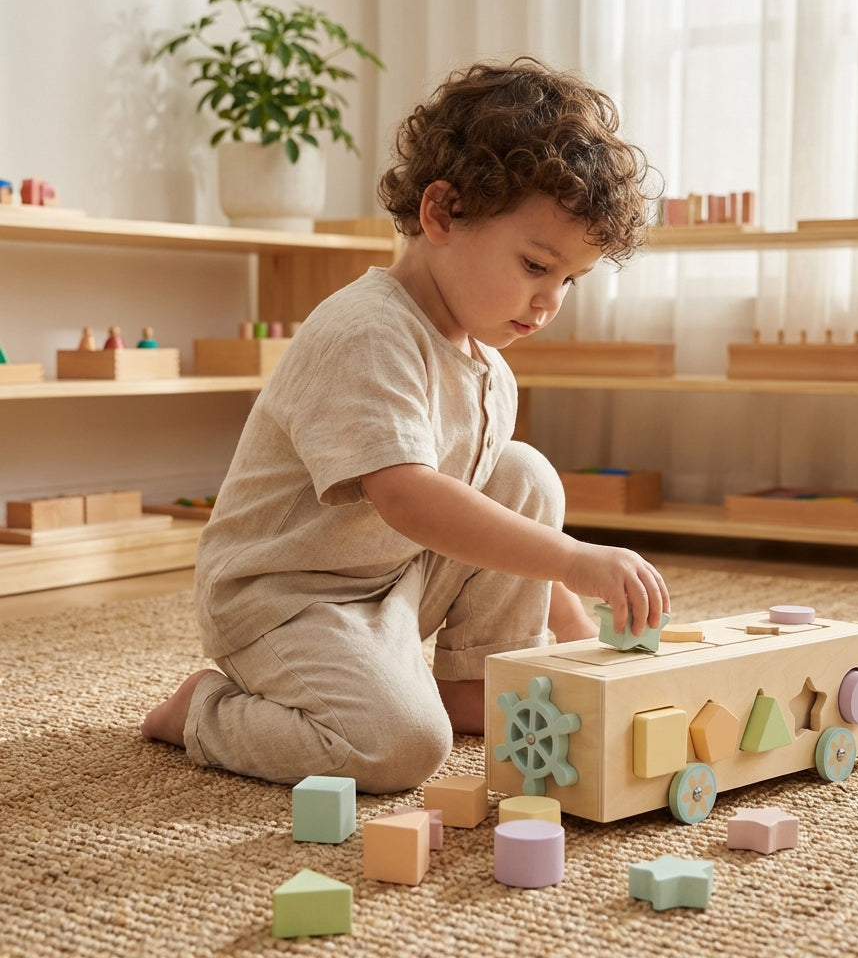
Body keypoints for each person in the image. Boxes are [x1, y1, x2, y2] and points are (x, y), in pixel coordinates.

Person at [141, 56, 671, 793]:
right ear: (442, 214)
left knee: (522, 475)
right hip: (286, 598)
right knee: (397, 748)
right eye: (533, 264)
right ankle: (202, 710)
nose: (549, 301)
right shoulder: (368, 332)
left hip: (389, 577)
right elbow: (410, 499)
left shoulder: (489, 364)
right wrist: (575, 559)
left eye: (568, 281)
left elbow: (482, 526)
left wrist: (586, 656)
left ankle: (478, 677)